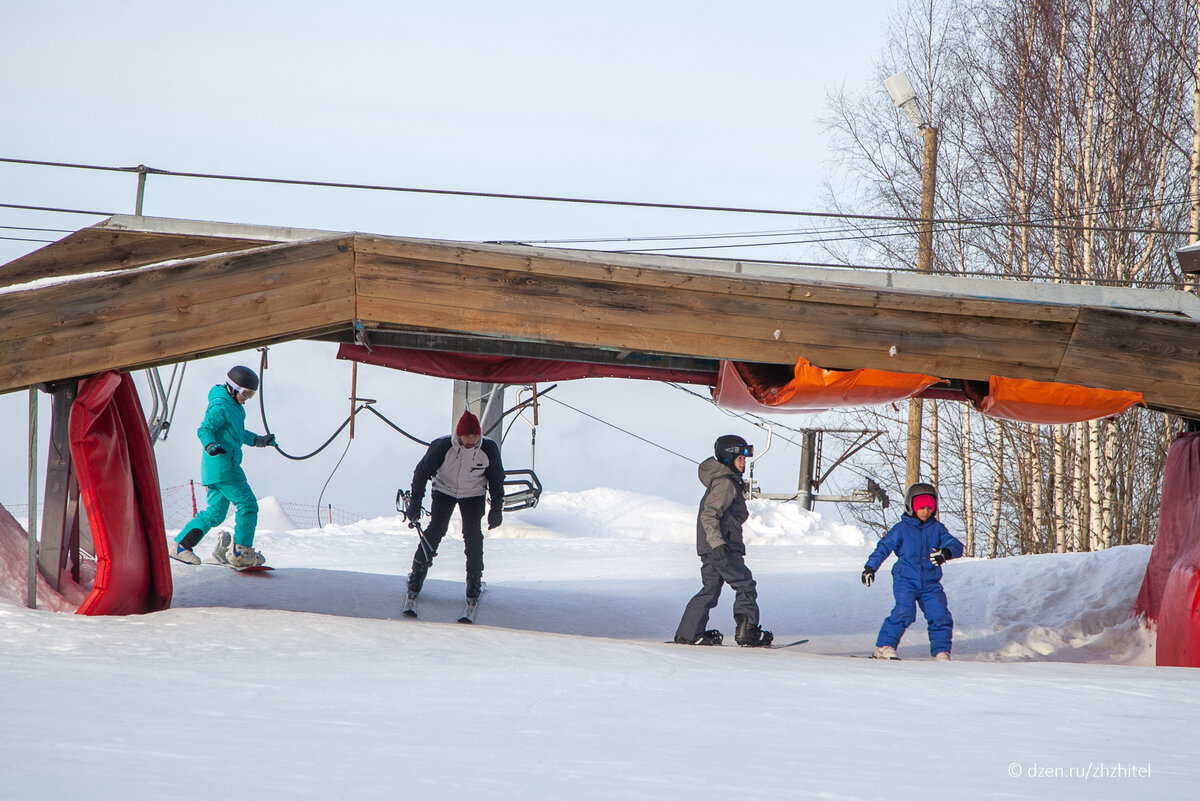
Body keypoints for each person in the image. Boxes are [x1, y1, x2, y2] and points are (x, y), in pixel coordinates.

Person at [169, 366, 277, 568]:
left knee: (215, 514)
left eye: (251, 395)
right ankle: (241, 551)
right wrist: (210, 445)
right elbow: (205, 429)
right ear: (232, 388)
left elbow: (238, 432)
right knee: (248, 505)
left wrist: (259, 440)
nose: (247, 398)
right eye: (245, 393)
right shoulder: (220, 405)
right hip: (224, 465)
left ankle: (182, 546)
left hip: (215, 470)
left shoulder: (235, 407)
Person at [674, 434, 773, 647]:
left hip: (712, 547)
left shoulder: (725, 481)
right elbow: (709, 514)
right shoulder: (726, 483)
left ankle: (689, 633)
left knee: (710, 589)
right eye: (740, 459)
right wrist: (718, 544)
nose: (744, 463)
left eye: (745, 459)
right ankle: (747, 633)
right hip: (722, 546)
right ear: (728, 459)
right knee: (745, 584)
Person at [403, 410, 505, 601]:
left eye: (475, 435)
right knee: (436, 529)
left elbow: (497, 479)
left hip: (473, 494)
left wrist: (496, 508)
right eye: (468, 436)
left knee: (473, 534)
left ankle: (474, 581)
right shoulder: (442, 447)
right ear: (459, 434)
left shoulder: (488, 449)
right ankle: (417, 574)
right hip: (444, 490)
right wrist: (415, 503)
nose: (472, 440)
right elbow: (421, 472)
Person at [862, 482, 964, 660]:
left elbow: (956, 545)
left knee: (939, 614)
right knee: (905, 611)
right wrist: (870, 568)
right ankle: (884, 647)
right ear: (911, 506)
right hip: (906, 579)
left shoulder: (937, 529)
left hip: (930, 582)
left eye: (929, 507)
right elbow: (883, 548)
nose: (926, 511)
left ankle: (941, 651)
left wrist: (945, 553)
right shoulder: (901, 529)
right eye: (921, 507)